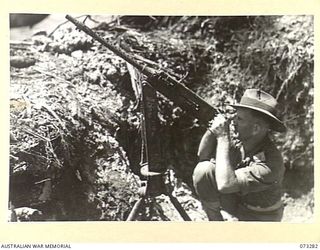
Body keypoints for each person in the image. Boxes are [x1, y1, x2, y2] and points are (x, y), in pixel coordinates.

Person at [193, 89, 286, 221]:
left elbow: (225, 185)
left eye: (239, 119)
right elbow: (202, 156)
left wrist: (222, 137)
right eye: (235, 116)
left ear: (256, 129)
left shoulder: (271, 162)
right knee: (204, 170)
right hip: (237, 202)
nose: (233, 121)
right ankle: (215, 223)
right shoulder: (240, 140)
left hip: (261, 217)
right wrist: (212, 129)